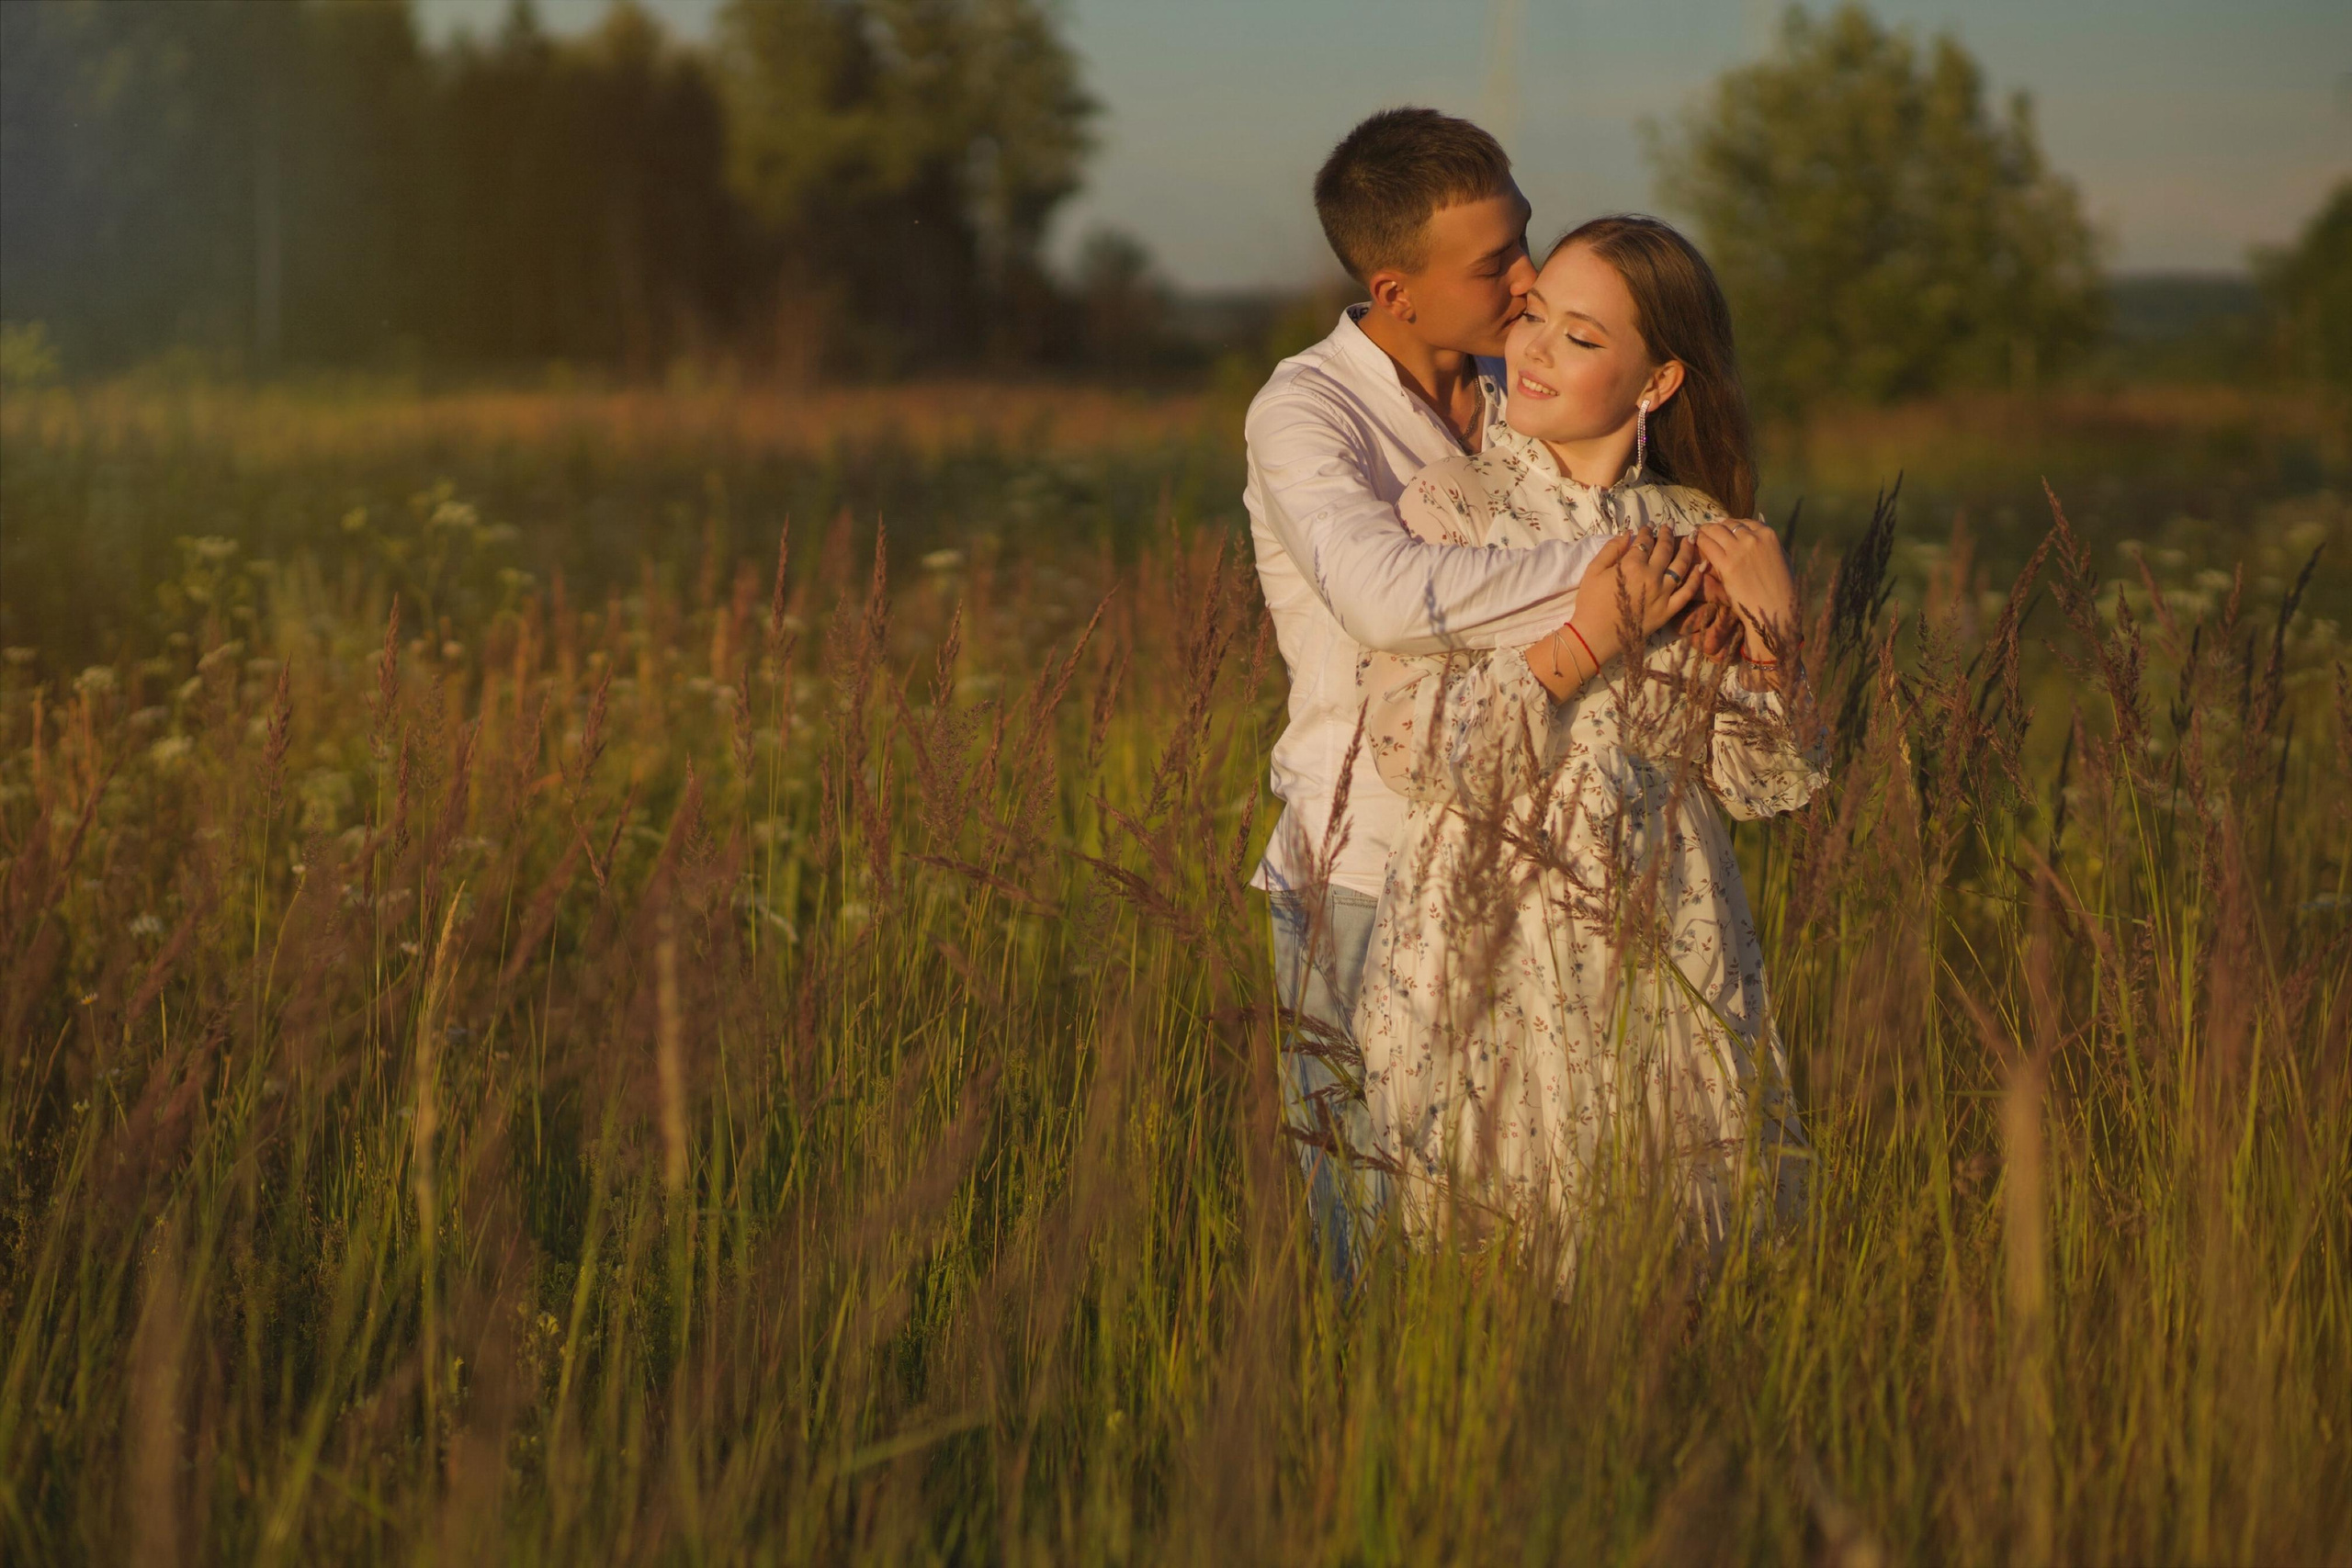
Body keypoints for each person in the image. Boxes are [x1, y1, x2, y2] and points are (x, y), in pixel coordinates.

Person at [1349, 215, 1822, 1288]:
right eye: (1533, 320)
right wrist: (1589, 639)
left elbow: (1763, 785)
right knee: (1495, 1267)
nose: (1535, 353)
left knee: (1676, 1264)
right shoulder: (1452, 507)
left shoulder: (1699, 529)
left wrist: (1774, 639)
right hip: (1487, 923)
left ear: (1656, 384)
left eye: (1580, 336)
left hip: (1670, 923)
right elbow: (1417, 751)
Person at [1245, 109, 1620, 1286]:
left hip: (1533, 867)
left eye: (1525, 237)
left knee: (1534, 1232)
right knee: (1371, 1247)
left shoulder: (1531, 393)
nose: (1528, 280)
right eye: (1492, 264)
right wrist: (1626, 573)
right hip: (1358, 872)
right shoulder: (1306, 412)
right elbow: (1386, 596)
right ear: (1395, 290)